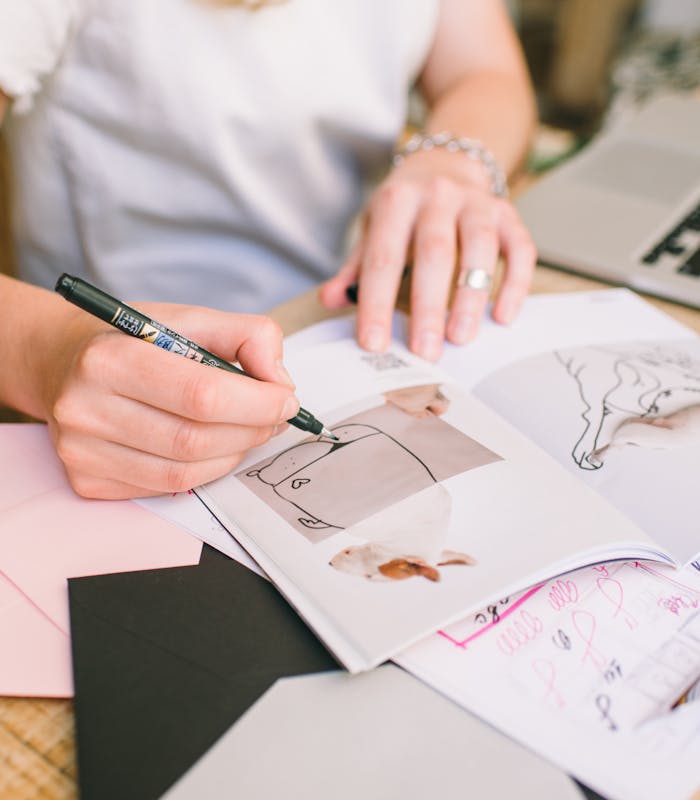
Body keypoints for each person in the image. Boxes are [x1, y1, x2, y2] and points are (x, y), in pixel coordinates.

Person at [0, 0, 537, 499]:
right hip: (122, 401)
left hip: (328, 326)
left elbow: (484, 72)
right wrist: (49, 353)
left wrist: (453, 162)